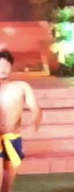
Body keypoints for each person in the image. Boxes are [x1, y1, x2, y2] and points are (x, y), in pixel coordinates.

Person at [0, 49, 42, 192]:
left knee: (7, 182)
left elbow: (35, 108)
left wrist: (33, 126)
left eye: (6, 66)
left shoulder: (21, 87)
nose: (3, 69)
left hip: (12, 137)